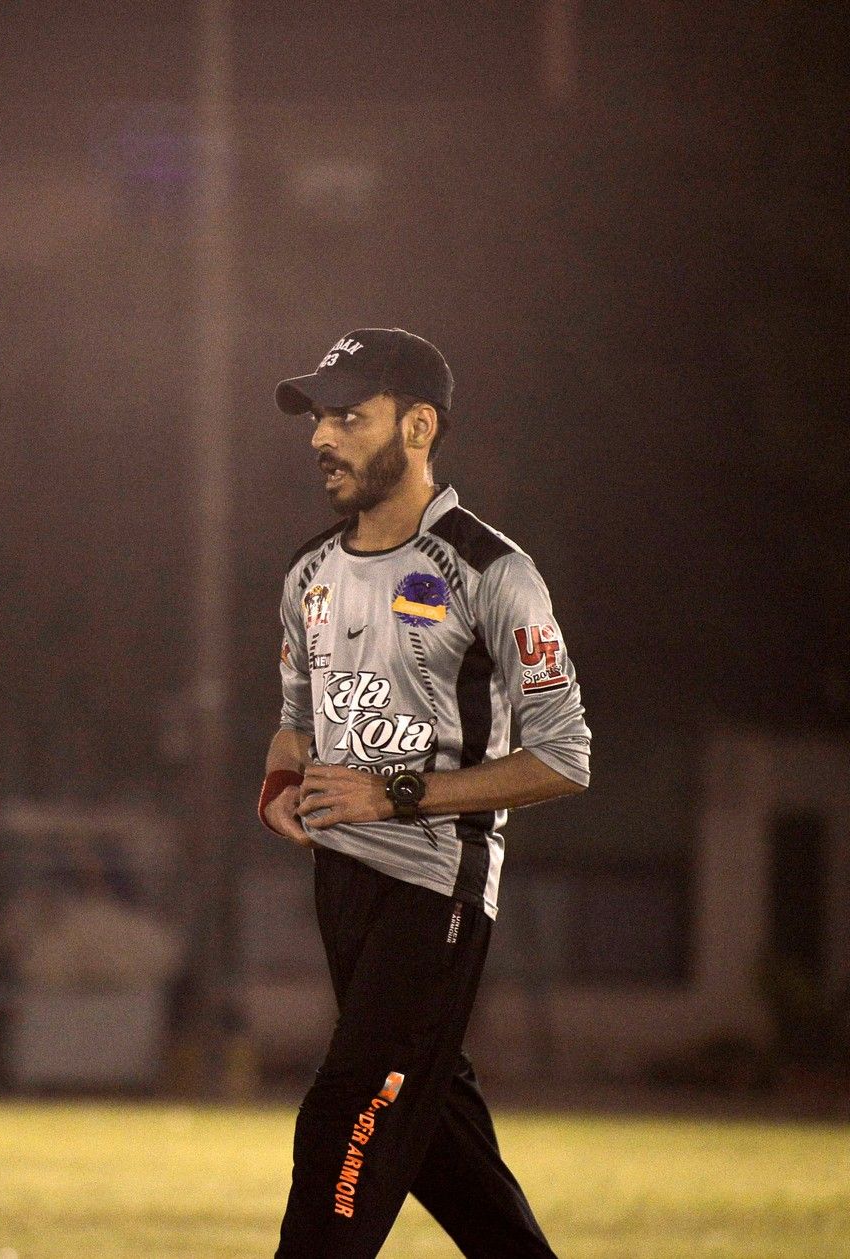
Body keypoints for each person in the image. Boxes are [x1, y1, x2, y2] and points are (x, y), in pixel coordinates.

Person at [258, 328, 591, 1258]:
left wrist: (394, 794)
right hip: (341, 886)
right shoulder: (307, 572)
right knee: (437, 1136)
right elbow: (293, 719)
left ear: (418, 426)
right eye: (317, 417)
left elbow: (566, 758)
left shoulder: (494, 571)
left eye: (348, 417)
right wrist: (281, 779)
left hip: (436, 888)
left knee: (349, 1106)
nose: (322, 437)